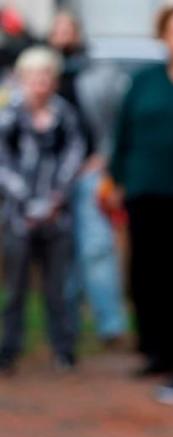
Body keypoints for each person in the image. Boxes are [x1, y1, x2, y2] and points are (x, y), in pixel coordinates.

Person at [108, 3, 173, 376]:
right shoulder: (144, 81)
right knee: (145, 273)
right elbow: (122, 132)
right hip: (143, 190)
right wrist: (118, 179)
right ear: (164, 36)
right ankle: (152, 349)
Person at [0, 46, 86, 373]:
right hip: (18, 218)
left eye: (46, 75)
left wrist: (54, 198)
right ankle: (9, 349)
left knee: (58, 288)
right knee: (15, 288)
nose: (40, 82)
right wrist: (25, 198)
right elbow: (2, 162)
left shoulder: (65, 114)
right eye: (33, 75)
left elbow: (75, 154)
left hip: (56, 216)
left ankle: (63, 349)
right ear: (21, 78)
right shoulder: (8, 115)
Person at [48, 9, 128, 347]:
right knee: (59, 253)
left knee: (97, 248)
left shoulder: (98, 72)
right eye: (58, 28)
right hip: (49, 179)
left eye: (69, 28)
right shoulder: (38, 68)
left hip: (90, 173)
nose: (64, 34)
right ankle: (66, 326)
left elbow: (117, 118)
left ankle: (109, 325)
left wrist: (104, 158)